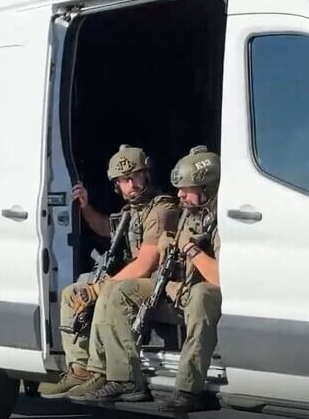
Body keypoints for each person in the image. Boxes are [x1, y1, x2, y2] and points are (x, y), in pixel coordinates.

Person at [75, 145, 221, 411]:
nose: (179, 195)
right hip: (177, 287)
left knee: (202, 296)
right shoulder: (188, 214)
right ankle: (124, 380)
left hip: (200, 292)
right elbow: (109, 230)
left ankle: (189, 391)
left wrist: (190, 248)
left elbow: (220, 278)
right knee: (118, 291)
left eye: (186, 189)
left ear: (206, 188)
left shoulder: (222, 220)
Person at [39, 144, 179, 398]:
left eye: (135, 176)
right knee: (72, 293)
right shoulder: (132, 211)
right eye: (124, 180)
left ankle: (103, 372)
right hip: (138, 280)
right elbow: (106, 228)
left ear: (146, 174)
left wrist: (99, 288)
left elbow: (146, 264)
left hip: (162, 282)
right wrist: (85, 207)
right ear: (116, 185)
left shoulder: (162, 210)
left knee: (110, 292)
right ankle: (80, 370)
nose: (131, 184)